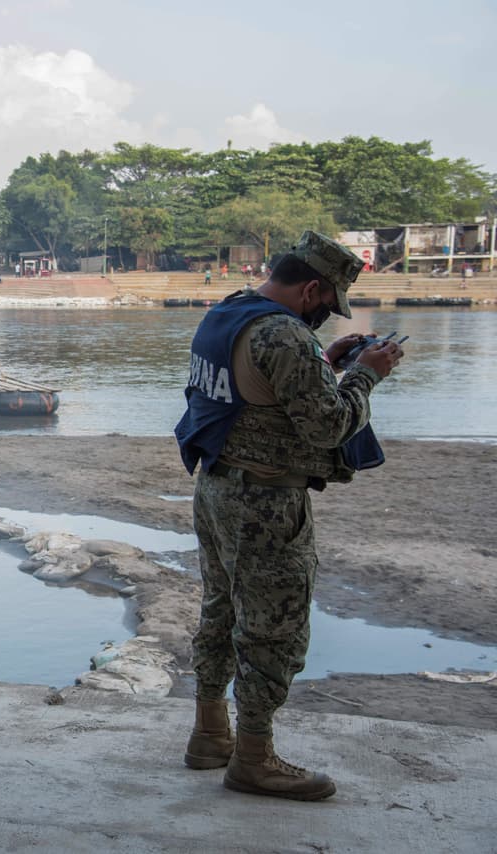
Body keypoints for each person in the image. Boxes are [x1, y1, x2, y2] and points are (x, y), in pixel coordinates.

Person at [174, 231, 404, 801]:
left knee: (220, 611)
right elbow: (328, 427)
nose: (324, 318)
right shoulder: (284, 334)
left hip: (216, 490)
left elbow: (252, 390)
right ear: (311, 288)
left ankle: (209, 734)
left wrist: (322, 362)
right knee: (272, 631)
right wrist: (366, 373)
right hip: (268, 504)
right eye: (325, 307)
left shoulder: (227, 314)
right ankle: (253, 758)